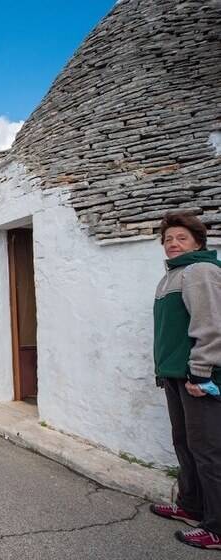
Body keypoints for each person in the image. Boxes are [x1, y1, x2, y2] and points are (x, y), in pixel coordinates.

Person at [149, 212, 221, 551]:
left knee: (208, 452)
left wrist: (200, 372)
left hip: (197, 378)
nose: (173, 244)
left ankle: (217, 527)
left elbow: (212, 327)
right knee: (185, 443)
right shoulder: (172, 277)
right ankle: (191, 507)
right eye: (168, 240)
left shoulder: (200, 271)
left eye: (181, 238)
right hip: (176, 376)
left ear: (198, 242)